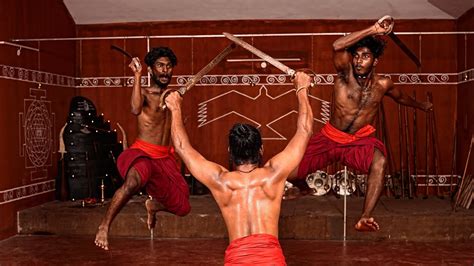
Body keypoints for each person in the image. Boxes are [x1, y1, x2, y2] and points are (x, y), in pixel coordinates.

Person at [288, 17, 433, 232]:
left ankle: (365, 217)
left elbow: (401, 98)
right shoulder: (344, 75)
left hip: (358, 140)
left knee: (380, 162)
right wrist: (374, 29)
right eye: (356, 56)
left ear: (375, 61)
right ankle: (303, 187)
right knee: (288, 171)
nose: (358, 61)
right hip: (330, 137)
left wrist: (421, 105)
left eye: (365, 56)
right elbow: (337, 45)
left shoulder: (383, 84)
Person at [165, 72, 313, 265]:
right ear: (261, 149)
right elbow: (305, 131)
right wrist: (301, 89)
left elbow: (182, 148)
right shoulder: (273, 175)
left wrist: (175, 108)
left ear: (229, 151)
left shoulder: (221, 181)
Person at [94, 47, 191, 250]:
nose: (165, 70)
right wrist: (137, 76)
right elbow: (135, 109)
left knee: (183, 207)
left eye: (169, 66)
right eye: (160, 66)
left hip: (164, 158)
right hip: (143, 153)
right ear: (151, 69)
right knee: (132, 183)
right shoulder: (146, 93)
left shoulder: (173, 96)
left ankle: (154, 205)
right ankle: (104, 226)